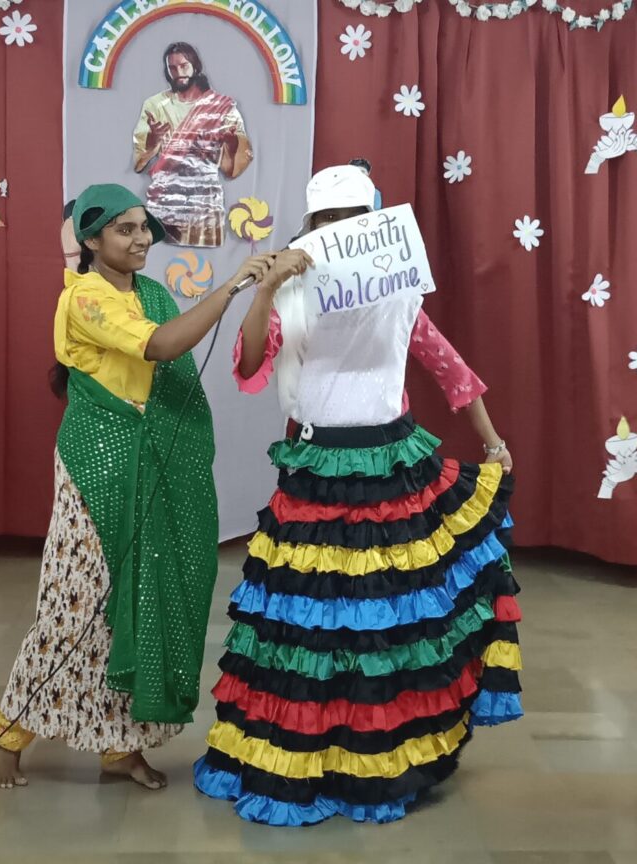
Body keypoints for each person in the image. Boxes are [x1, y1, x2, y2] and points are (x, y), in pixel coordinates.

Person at [191, 163, 523, 825]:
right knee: (309, 623)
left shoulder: (397, 290)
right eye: (328, 222)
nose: (340, 232)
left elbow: (448, 366)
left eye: (352, 221)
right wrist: (269, 288)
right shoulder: (291, 291)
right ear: (312, 227)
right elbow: (251, 362)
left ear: (373, 227)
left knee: (383, 620)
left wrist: (492, 441)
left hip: (391, 465)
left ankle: (378, 759)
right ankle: (306, 755)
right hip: (317, 468)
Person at [0, 184, 302, 790]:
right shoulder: (84, 298)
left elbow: (170, 359)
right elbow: (161, 345)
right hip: (100, 464)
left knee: (141, 603)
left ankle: (120, 745)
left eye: (144, 227)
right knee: (78, 605)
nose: (141, 239)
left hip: (151, 462)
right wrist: (233, 284)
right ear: (91, 239)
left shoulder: (150, 292)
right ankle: (9, 731)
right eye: (124, 229)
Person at [131, 42, 252, 248]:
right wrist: (153, 143)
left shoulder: (222, 107)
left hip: (204, 206)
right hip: (164, 205)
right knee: (159, 257)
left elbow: (232, 169)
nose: (178, 73)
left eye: (184, 66)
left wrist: (231, 145)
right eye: (172, 68)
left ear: (195, 66)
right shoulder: (155, 105)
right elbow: (139, 164)